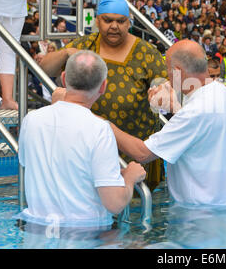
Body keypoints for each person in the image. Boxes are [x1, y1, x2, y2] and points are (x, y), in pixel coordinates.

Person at [39, 0, 168, 191]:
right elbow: (45, 70)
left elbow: (164, 89)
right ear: (98, 20)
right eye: (108, 20)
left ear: (129, 22)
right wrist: (65, 53)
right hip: (90, 149)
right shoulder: (84, 45)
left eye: (120, 21)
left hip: (133, 152)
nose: (114, 26)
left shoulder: (148, 54)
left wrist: (161, 93)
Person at [109, 39, 226, 207]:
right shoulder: (223, 94)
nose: (167, 77)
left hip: (201, 214)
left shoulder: (194, 111)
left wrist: (104, 124)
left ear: (177, 71)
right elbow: (197, 131)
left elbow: (143, 154)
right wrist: (173, 105)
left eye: (168, 71)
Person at [16, 50, 146, 227]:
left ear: (63, 79)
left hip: (35, 229)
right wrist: (130, 177)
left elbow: (32, 163)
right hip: (84, 233)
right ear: (103, 86)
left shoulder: (31, 120)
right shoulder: (99, 129)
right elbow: (114, 203)